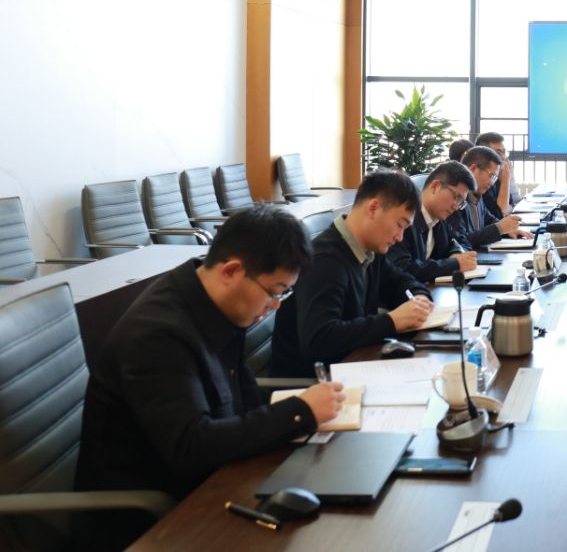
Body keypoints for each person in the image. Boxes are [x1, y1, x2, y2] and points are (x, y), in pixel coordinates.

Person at [76, 205, 346, 550]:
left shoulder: (212, 301)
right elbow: (192, 447)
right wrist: (300, 412)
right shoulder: (158, 335)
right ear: (231, 270)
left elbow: (244, 399)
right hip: (148, 521)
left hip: (207, 483)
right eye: (275, 291)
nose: (276, 305)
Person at [271, 170, 435, 376]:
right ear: (373, 208)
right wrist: (391, 321)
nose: (400, 237)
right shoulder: (324, 261)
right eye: (400, 225)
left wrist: (419, 297)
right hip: (313, 383)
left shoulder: (369, 250)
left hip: (353, 366)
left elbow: (399, 281)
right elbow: (319, 339)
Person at [387, 160, 479, 282]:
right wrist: (454, 264)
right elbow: (403, 269)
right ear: (435, 186)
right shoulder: (404, 218)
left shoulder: (441, 218)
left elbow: (461, 240)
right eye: (456, 197)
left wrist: (456, 252)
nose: (456, 206)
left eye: (461, 202)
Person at [449, 145, 531, 247]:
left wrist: (508, 229)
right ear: (473, 169)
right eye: (491, 176)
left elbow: (489, 219)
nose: (492, 183)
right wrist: (500, 228)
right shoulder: (454, 198)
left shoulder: (477, 194)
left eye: (495, 178)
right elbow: (461, 241)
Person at [475, 131, 519, 217]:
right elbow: (500, 214)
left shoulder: (498, 175)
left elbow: (512, 203)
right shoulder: (482, 180)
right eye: (498, 153)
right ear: (483, 155)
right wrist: (505, 180)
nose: (503, 157)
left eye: (504, 152)